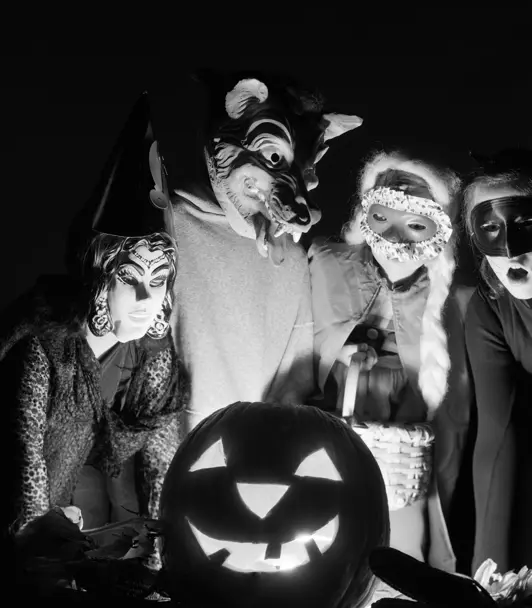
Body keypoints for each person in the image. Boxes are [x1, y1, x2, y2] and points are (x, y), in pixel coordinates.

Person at [1, 93, 186, 537]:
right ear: (100, 276)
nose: (147, 297)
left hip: (84, 505)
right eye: (131, 277)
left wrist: (161, 556)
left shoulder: (151, 352)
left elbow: (159, 456)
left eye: (158, 279)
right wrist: (41, 537)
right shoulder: (43, 344)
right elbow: (23, 453)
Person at [309, 148, 472, 583]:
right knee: (325, 511)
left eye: (417, 224)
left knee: (400, 518)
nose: (397, 240)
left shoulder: (451, 298)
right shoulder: (325, 263)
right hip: (336, 401)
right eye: (384, 217)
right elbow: (305, 332)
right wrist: (340, 352)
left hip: (406, 417)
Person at [171, 71, 363, 432]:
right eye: (274, 156)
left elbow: (295, 381)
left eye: (305, 170)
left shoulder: (289, 259)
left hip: (261, 452)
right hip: (175, 459)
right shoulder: (166, 232)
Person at [463, 149, 532, 574]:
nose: (510, 249)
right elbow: (499, 434)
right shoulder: (487, 309)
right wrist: (491, 573)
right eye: (490, 228)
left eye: (527, 224)